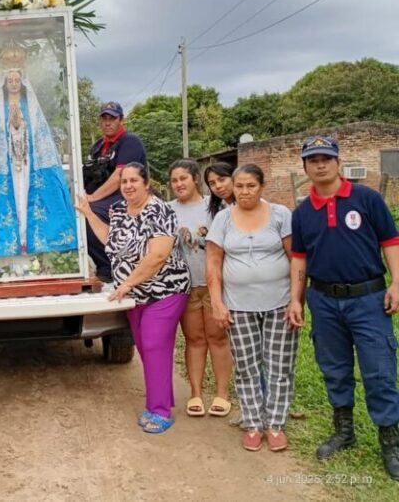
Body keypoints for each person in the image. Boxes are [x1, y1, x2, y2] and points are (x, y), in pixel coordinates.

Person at [288, 136, 399, 480]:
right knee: (334, 368)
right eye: (313, 159)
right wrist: (296, 298)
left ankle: (391, 442)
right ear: (305, 166)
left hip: (368, 298)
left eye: (326, 158)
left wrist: (397, 282)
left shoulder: (367, 199)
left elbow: (390, 240)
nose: (320, 164)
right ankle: (344, 431)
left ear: (338, 161)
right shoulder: (303, 211)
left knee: (379, 370)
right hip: (323, 299)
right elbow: (299, 257)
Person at [76, 162, 190, 433]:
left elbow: (158, 256)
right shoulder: (119, 212)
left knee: (152, 344)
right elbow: (110, 240)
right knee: (145, 347)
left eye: (133, 181)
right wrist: (89, 214)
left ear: (146, 183)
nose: (128, 186)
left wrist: (126, 283)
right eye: (124, 181)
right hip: (134, 296)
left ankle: (160, 410)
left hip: (165, 291)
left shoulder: (160, 210)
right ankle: (159, 400)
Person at [206, 164, 298, 452]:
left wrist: (297, 299)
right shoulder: (223, 219)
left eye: (251, 186)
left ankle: (275, 424)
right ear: (233, 186)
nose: (245, 192)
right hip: (238, 307)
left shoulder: (281, 214)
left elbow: (295, 257)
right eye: (240, 186)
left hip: (279, 303)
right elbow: (213, 263)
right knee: (246, 366)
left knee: (279, 367)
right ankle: (253, 423)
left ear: (262, 186)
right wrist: (217, 303)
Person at [0, 66, 77, 266]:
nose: (14, 84)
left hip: (28, 164)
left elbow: (36, 134)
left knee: (29, 196)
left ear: (23, 83)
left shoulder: (29, 105)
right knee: (11, 198)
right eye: (11, 81)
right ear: (5, 84)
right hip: (7, 166)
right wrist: (12, 125)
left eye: (17, 80)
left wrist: (20, 124)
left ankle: (30, 242)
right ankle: (12, 245)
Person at [168, 159, 232, 418]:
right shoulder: (166, 210)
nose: (178, 184)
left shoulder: (215, 206)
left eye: (183, 178)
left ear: (195, 178)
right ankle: (195, 394)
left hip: (216, 286)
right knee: (194, 340)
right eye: (174, 180)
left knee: (218, 338)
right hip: (186, 286)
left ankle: (222, 394)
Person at [83, 101, 147, 282]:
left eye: (112, 118)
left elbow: (120, 176)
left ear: (121, 119)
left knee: (90, 214)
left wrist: (92, 199)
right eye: (104, 118)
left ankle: (109, 266)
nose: (108, 122)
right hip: (100, 196)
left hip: (125, 195)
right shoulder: (97, 146)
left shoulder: (130, 142)